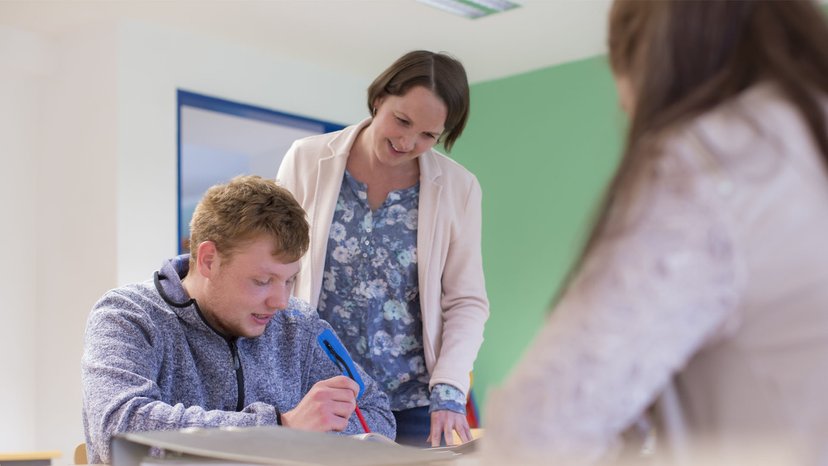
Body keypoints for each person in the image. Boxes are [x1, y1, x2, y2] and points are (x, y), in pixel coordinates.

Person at [482, 0, 828, 464]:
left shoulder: (713, 158)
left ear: (646, 57)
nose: (627, 113)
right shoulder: (805, 129)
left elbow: (535, 431)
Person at [81, 175, 395, 464]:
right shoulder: (126, 316)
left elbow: (378, 415)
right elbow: (119, 432)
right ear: (208, 260)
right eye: (262, 281)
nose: (280, 301)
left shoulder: (300, 325)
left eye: (289, 281)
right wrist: (279, 428)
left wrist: (312, 429)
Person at [276, 50, 489, 447]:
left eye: (428, 135)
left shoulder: (459, 188)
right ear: (378, 99)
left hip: (411, 403)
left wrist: (450, 389)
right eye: (402, 120)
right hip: (317, 393)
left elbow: (466, 301)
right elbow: (276, 264)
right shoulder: (307, 159)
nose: (407, 141)